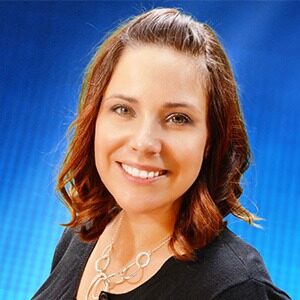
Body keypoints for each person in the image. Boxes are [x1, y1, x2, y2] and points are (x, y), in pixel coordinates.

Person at [32, 8, 290, 300]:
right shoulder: (83, 234)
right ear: (95, 118)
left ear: (211, 140)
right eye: (123, 109)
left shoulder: (237, 288)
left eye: (178, 118)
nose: (144, 143)